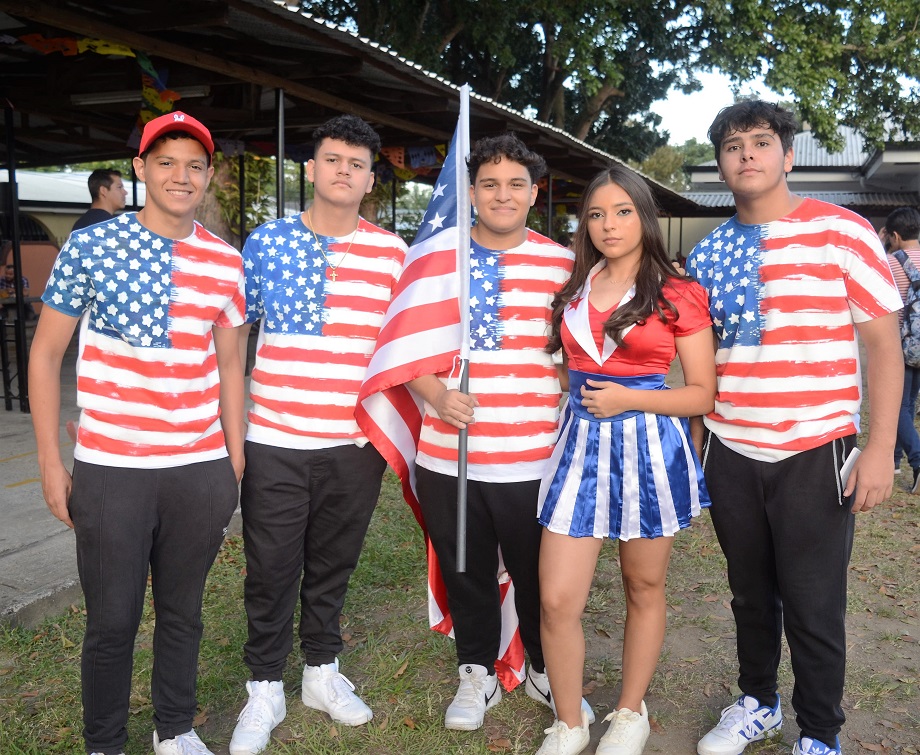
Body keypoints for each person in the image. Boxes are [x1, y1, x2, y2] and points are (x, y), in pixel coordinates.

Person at [688, 101, 902, 755]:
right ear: (721, 163)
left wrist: (881, 444)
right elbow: (705, 360)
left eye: (759, 142)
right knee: (749, 594)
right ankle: (757, 702)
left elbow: (883, 344)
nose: (745, 154)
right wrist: (699, 452)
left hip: (815, 448)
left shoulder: (842, 231)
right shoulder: (708, 253)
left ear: (786, 153)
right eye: (731, 146)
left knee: (813, 603)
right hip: (732, 449)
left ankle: (819, 732)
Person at [29, 111, 246, 755]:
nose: (181, 176)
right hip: (111, 469)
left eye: (195, 165)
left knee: (182, 612)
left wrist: (233, 457)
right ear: (140, 169)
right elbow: (45, 355)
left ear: (208, 176)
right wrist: (50, 462)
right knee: (112, 620)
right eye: (167, 162)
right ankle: (105, 742)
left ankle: (174, 730)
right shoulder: (91, 246)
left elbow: (230, 361)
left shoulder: (225, 261)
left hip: (199, 469)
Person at [228, 115, 407, 755]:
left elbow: (406, 347)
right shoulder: (265, 243)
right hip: (275, 435)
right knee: (271, 566)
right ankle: (263, 686)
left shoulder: (392, 254)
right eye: (332, 160)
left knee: (333, 564)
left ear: (369, 179)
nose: (343, 172)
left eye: (356, 165)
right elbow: (230, 339)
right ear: (311, 168)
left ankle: (321, 672)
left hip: (354, 443)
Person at [403, 133, 594, 732]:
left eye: (515, 184)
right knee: (466, 568)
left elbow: (582, 355)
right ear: (472, 192)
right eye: (489, 184)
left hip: (534, 456)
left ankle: (543, 665)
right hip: (448, 455)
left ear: (534, 194)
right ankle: (476, 671)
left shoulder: (564, 265)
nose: (501, 194)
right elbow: (406, 351)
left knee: (540, 573)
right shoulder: (438, 259)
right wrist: (436, 394)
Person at [534, 165, 715, 755]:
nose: (608, 225)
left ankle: (630, 713)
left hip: (649, 449)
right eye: (595, 214)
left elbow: (702, 394)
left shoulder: (677, 292)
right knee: (558, 598)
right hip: (578, 449)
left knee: (643, 584)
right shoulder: (573, 286)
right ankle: (569, 722)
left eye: (622, 211)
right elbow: (568, 369)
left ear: (645, 216)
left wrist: (628, 398)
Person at [881, 207, 920, 489]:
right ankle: (893, 460)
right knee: (909, 403)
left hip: (900, 346)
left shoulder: (891, 263)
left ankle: (918, 461)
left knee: (898, 407)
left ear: (894, 235)